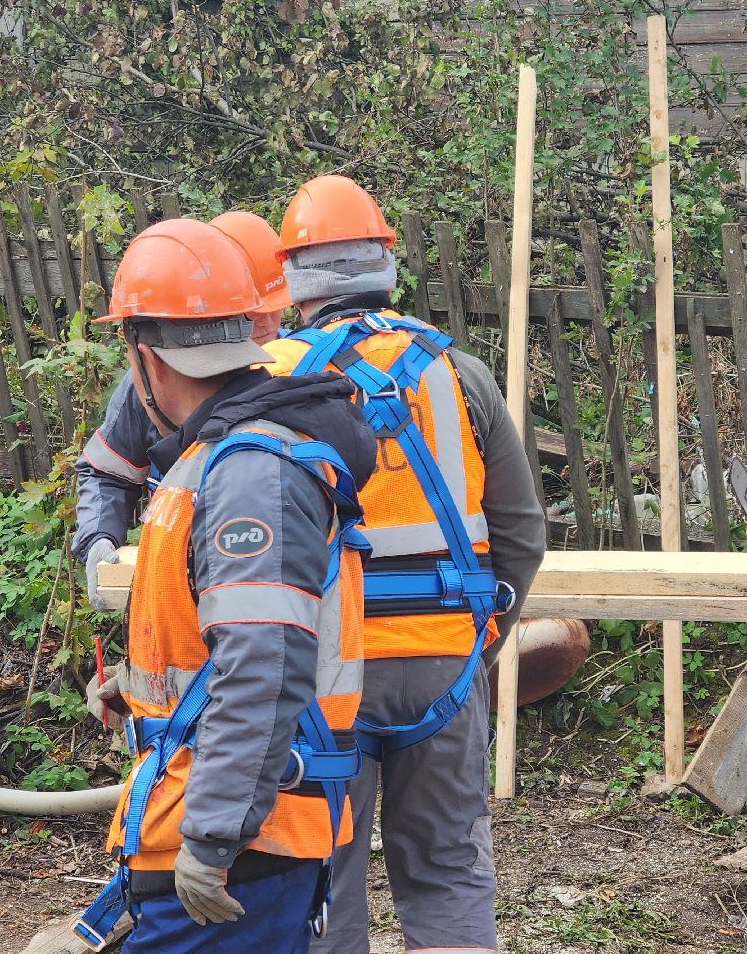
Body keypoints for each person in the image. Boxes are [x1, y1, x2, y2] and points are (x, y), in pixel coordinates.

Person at [76, 217, 377, 953]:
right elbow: (226, 642)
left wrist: (212, 839)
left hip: (237, 844)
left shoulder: (250, 474)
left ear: (145, 358)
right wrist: (141, 684)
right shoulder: (224, 458)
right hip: (215, 823)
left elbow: (264, 666)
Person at [267, 174, 547, 954]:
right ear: (386, 264)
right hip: (442, 669)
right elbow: (522, 535)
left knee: (323, 869)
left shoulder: (268, 379)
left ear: (294, 276)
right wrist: (477, 645)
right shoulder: (457, 374)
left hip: (322, 675)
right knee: (449, 870)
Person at [73, 211, 293, 613]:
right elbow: (106, 471)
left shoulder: (306, 376)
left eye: (273, 309)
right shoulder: (148, 385)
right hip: (172, 608)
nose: (265, 322)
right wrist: (99, 539)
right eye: (252, 311)